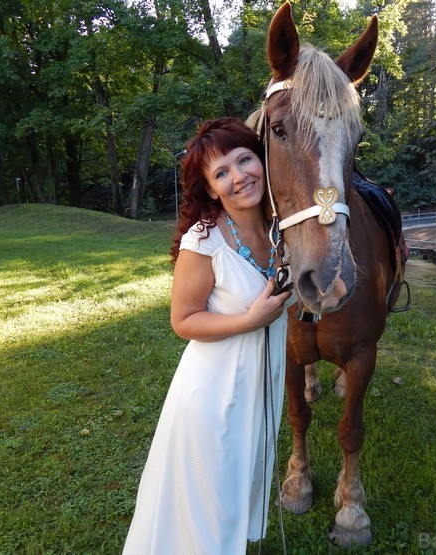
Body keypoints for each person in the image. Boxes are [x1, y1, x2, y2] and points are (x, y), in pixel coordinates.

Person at [123, 118, 293, 554]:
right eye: (221, 173)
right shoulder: (204, 240)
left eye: (244, 159)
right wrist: (250, 320)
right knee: (206, 510)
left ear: (262, 159)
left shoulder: (285, 230)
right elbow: (183, 320)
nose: (239, 177)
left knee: (235, 497)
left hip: (260, 389)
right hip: (213, 395)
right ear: (211, 189)